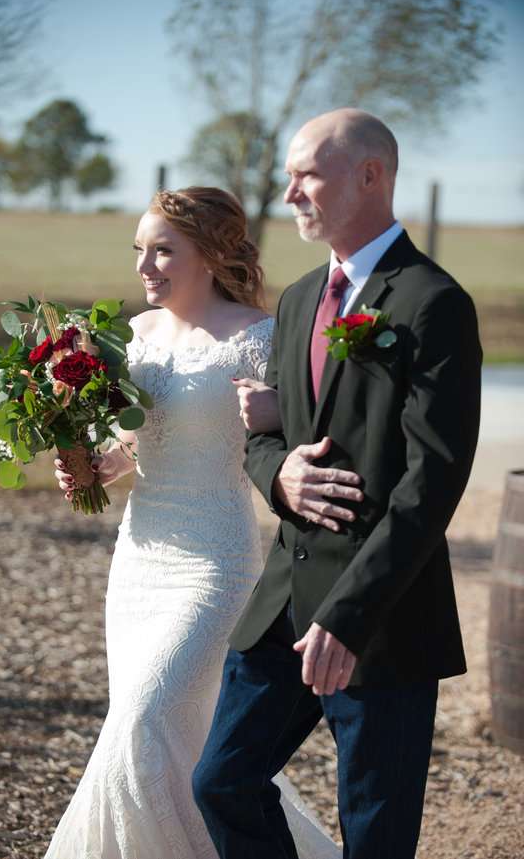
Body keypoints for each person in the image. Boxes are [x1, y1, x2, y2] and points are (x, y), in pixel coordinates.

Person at [193, 109, 482, 859]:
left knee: (375, 839)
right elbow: (265, 432)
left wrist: (351, 616)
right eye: (289, 176)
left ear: (370, 175)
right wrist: (279, 473)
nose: (289, 192)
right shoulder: (295, 302)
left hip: (382, 618)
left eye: (306, 174)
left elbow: (434, 479)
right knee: (221, 782)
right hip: (282, 609)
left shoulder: (433, 302)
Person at [46, 186, 354, 858]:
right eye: (139, 250)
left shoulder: (259, 338)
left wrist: (283, 419)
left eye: (163, 250)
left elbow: (298, 436)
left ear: (211, 254)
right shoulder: (134, 335)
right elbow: (138, 442)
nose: (145, 265)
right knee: (171, 735)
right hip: (139, 560)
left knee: (144, 718)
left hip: (215, 563)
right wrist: (93, 466)